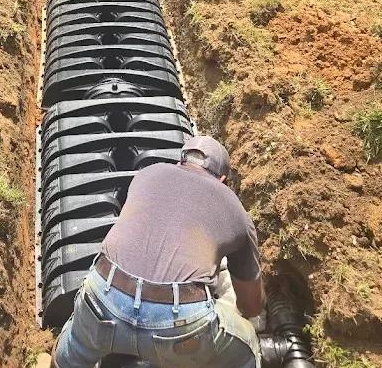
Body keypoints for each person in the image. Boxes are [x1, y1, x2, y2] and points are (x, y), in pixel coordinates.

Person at [52, 135, 264, 368]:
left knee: (69, 353)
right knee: (247, 347)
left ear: (180, 163)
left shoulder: (147, 174)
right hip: (180, 324)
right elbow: (251, 306)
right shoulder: (236, 211)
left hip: (103, 296)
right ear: (222, 178)